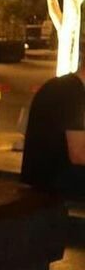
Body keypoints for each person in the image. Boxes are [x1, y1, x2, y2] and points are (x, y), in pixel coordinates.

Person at [21, 62, 85, 198]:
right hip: (54, 184)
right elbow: (79, 154)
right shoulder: (72, 92)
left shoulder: (64, 86)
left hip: (47, 179)